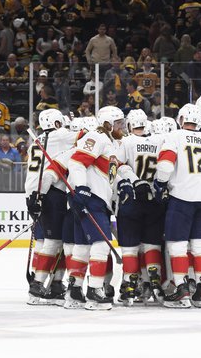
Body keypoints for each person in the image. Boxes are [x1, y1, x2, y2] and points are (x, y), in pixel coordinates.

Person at [154, 103, 201, 308]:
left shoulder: (174, 137)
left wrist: (160, 183)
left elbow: (165, 166)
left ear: (181, 119)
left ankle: (181, 288)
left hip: (182, 195)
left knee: (177, 244)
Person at [66, 106, 124, 310]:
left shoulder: (110, 141)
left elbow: (107, 174)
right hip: (91, 198)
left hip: (95, 198)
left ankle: (74, 291)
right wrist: (81, 188)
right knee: (101, 243)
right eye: (118, 123)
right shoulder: (97, 137)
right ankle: (95, 291)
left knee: (82, 247)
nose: (122, 127)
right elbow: (76, 162)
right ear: (108, 123)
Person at [25, 109, 79, 305]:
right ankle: (38, 285)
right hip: (49, 192)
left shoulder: (37, 141)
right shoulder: (60, 135)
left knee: (56, 239)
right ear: (57, 123)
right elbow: (87, 134)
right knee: (54, 240)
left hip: (34, 193)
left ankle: (56, 283)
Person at [115, 109, 166, 305]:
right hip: (155, 199)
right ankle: (154, 278)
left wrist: (135, 180)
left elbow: (117, 165)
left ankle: (130, 284)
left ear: (130, 125)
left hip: (133, 199)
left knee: (129, 247)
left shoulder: (126, 142)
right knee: (152, 243)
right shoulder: (159, 141)